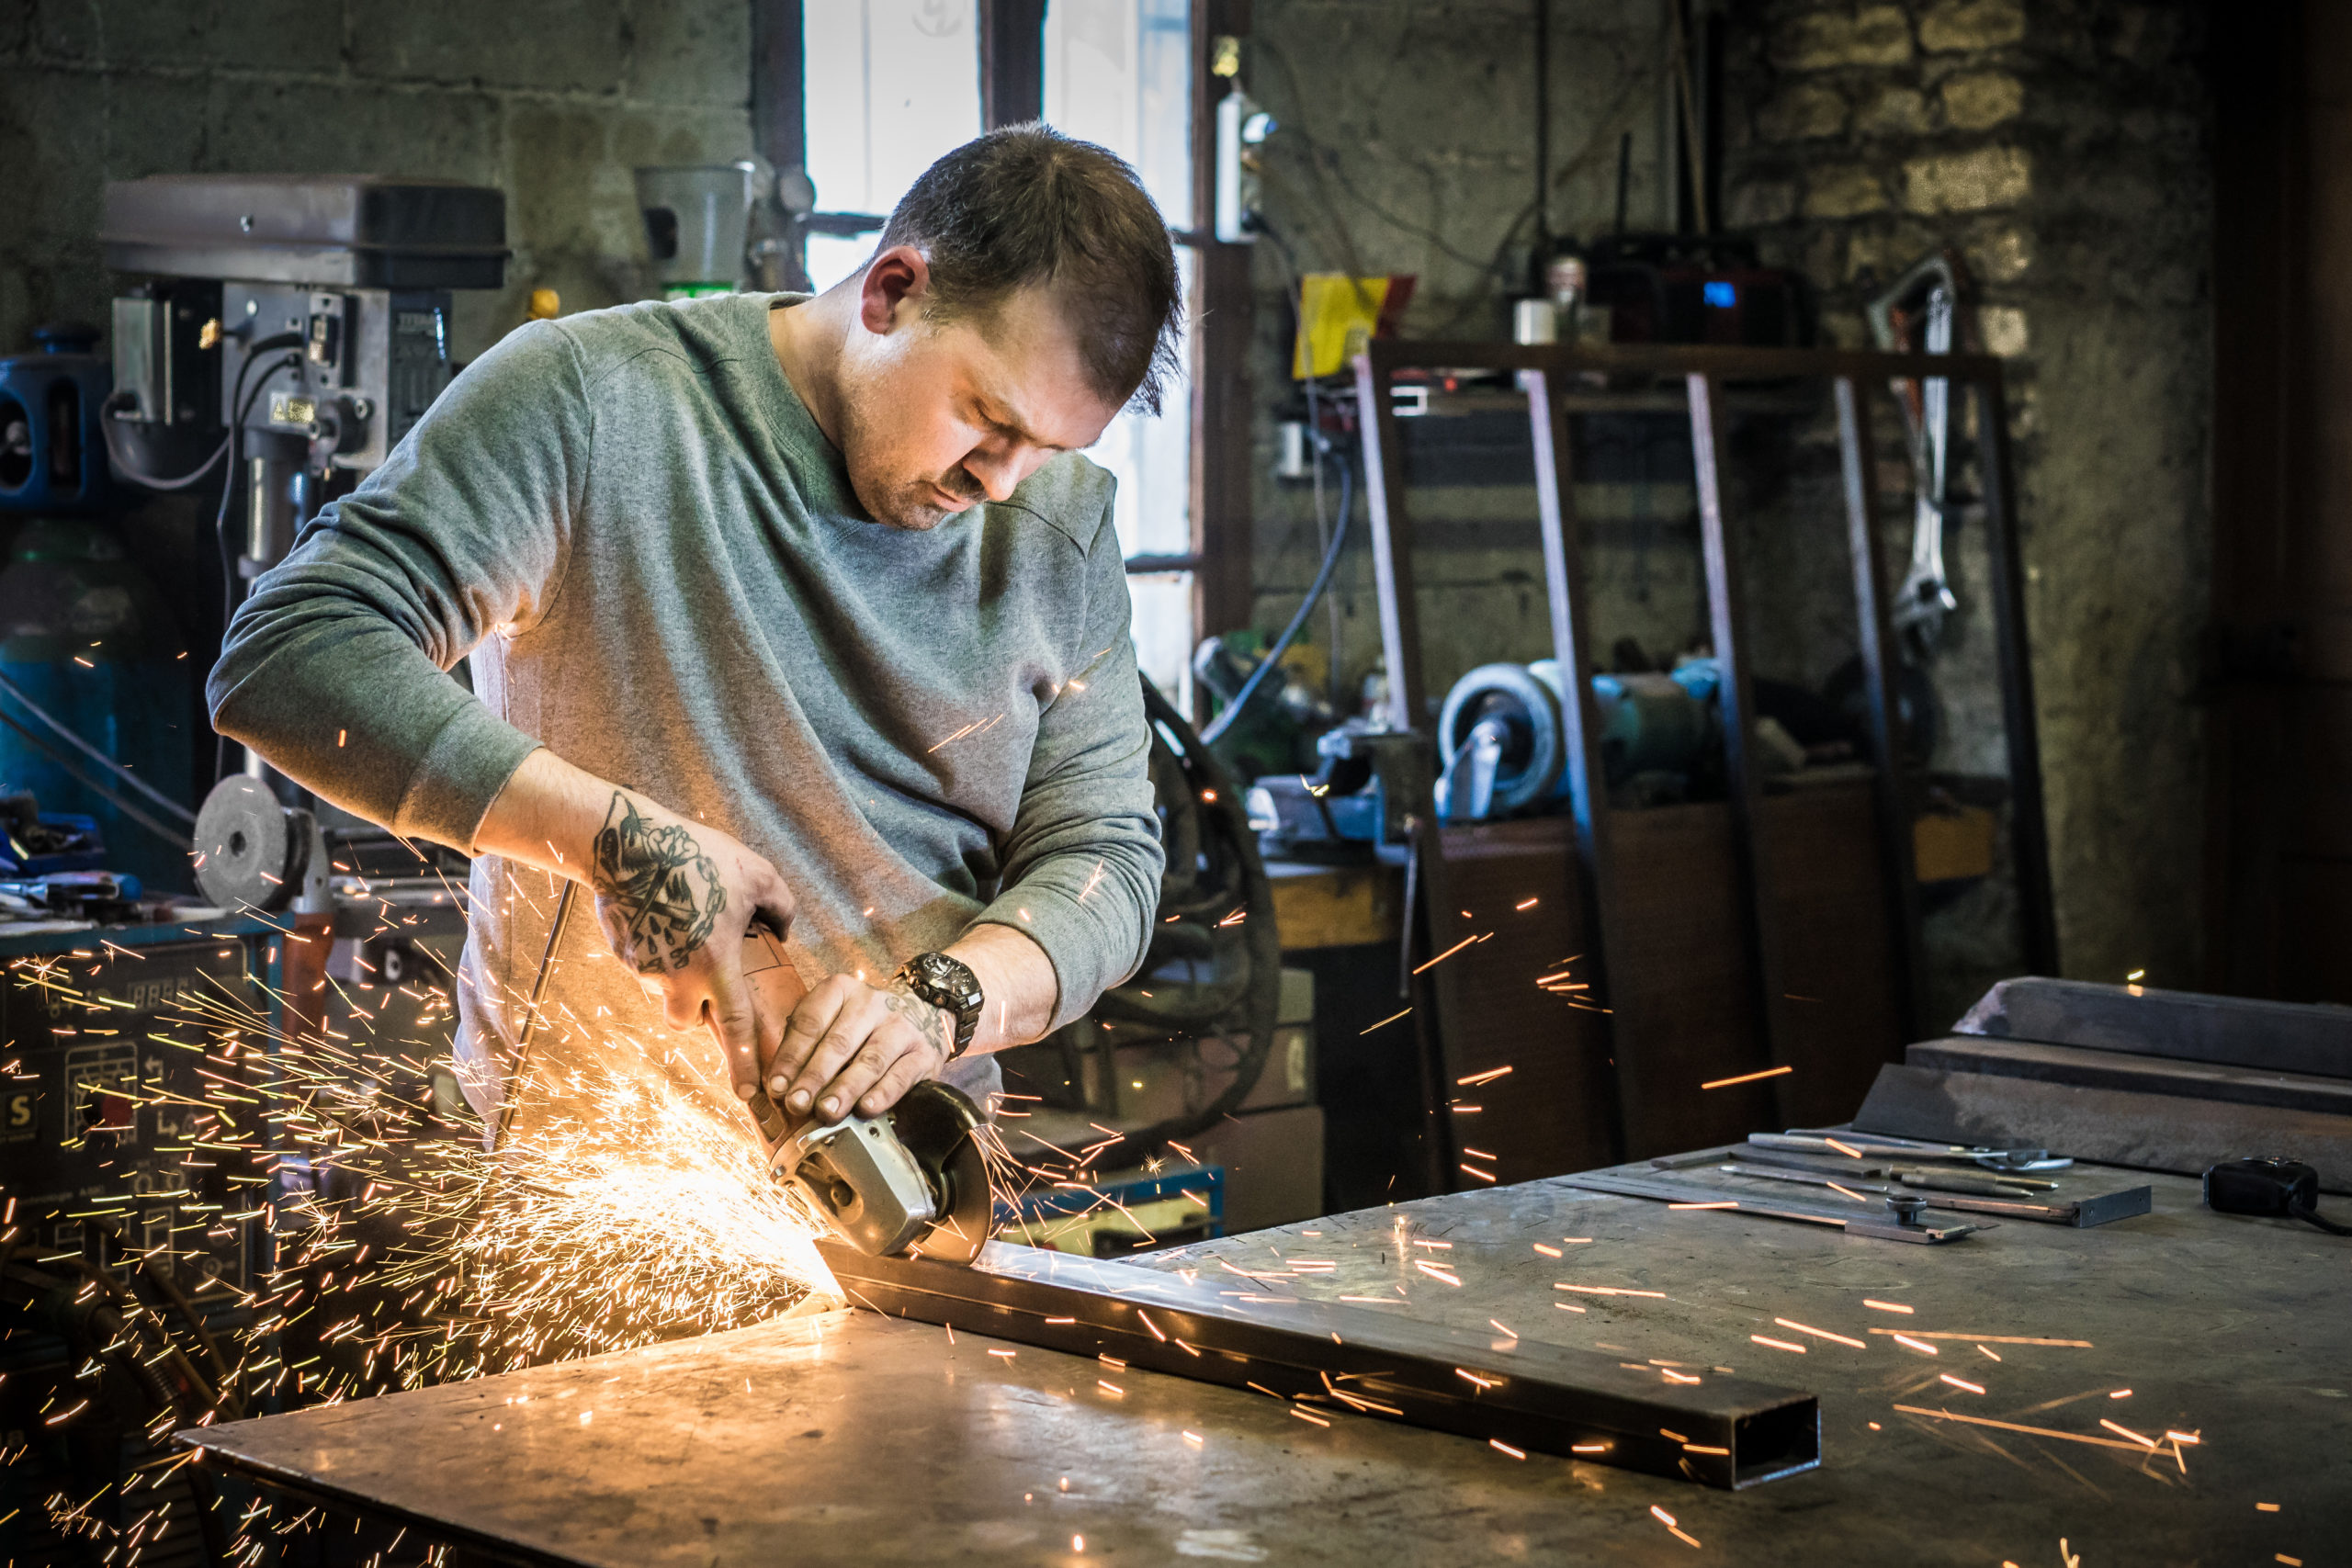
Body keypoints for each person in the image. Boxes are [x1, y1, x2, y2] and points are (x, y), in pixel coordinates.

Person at [208, 125, 1177, 1144]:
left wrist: (946, 1001)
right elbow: (289, 650)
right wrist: (617, 842)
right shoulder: (594, 401)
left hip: (918, 1176)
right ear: (893, 292)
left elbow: (1102, 859)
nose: (1003, 483)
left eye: (1047, 449)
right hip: (595, 1179)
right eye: (987, 416)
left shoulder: (1063, 524)